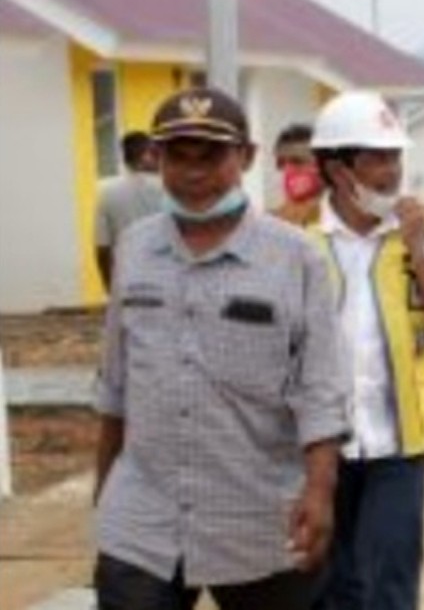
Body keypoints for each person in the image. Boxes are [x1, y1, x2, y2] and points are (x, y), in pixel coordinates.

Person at [93, 88, 349, 610]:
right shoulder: (135, 249)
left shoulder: (296, 257)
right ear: (155, 158)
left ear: (247, 157)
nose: (193, 171)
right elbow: (116, 385)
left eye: (211, 155)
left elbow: (320, 388)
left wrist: (320, 493)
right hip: (144, 517)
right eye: (177, 156)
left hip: (260, 519)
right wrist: (105, 498)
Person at [307, 92, 424, 610]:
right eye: (377, 159)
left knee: (391, 584)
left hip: (400, 444)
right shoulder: (299, 243)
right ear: (338, 169)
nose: (391, 171)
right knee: (328, 587)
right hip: (318, 449)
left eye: (395, 157)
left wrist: (420, 253)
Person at [95, 130, 163, 289]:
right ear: (145, 156)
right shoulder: (169, 188)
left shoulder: (107, 192)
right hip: (166, 278)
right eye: (156, 154)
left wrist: (109, 286)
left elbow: (102, 248)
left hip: (126, 281)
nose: (160, 161)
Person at [271, 123, 323, 226]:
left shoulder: (343, 220)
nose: (287, 170)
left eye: (297, 161)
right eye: (281, 163)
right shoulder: (269, 223)